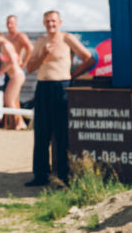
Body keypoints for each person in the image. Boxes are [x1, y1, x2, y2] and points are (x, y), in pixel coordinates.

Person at [25, 10, 96, 187]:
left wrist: (72, 75)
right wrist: (42, 55)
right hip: (43, 88)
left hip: (61, 86)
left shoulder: (67, 39)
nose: (51, 24)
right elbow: (30, 68)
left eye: (53, 21)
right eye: (47, 21)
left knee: (61, 133)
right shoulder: (41, 41)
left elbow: (89, 58)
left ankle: (63, 176)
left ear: (60, 22)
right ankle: (40, 175)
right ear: (43, 23)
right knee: (41, 133)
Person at [0, 25, 27, 130]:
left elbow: (13, 62)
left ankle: (16, 123)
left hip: (16, 75)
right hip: (15, 75)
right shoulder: (4, 45)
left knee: (9, 100)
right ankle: (19, 123)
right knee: (12, 101)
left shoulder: (6, 45)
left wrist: (0, 72)